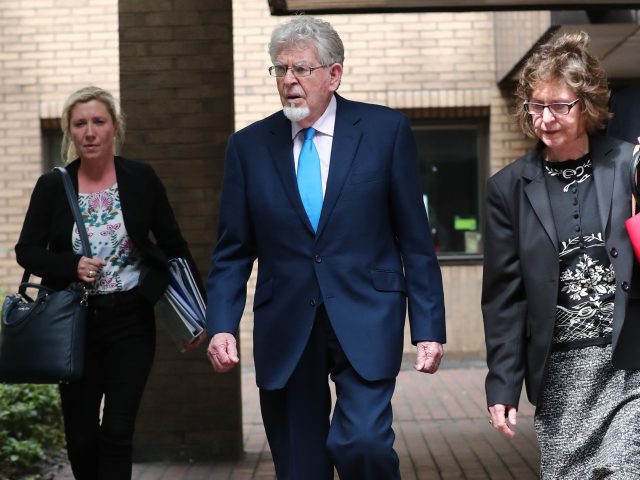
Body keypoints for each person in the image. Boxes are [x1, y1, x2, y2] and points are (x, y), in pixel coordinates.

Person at [205, 15, 446, 480]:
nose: (289, 81)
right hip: (287, 323)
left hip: (366, 312)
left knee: (363, 444)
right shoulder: (249, 147)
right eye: (280, 70)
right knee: (300, 467)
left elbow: (415, 241)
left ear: (334, 74)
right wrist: (221, 325)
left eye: (302, 69)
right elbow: (233, 251)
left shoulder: (384, 131)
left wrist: (428, 327)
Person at [15, 86, 205, 479]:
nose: (90, 132)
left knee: (117, 432)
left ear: (114, 127)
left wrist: (202, 313)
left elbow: (173, 246)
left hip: (131, 322)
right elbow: (27, 250)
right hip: (75, 324)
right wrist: (71, 265)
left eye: (98, 122)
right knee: (82, 438)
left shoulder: (140, 179)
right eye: (80, 124)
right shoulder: (53, 186)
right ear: (69, 131)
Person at [482, 32, 640, 478]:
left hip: (627, 362)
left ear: (586, 105)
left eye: (559, 106)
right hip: (560, 373)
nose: (545, 118)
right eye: (536, 106)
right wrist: (503, 386)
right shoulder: (508, 189)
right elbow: (504, 298)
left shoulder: (628, 165)